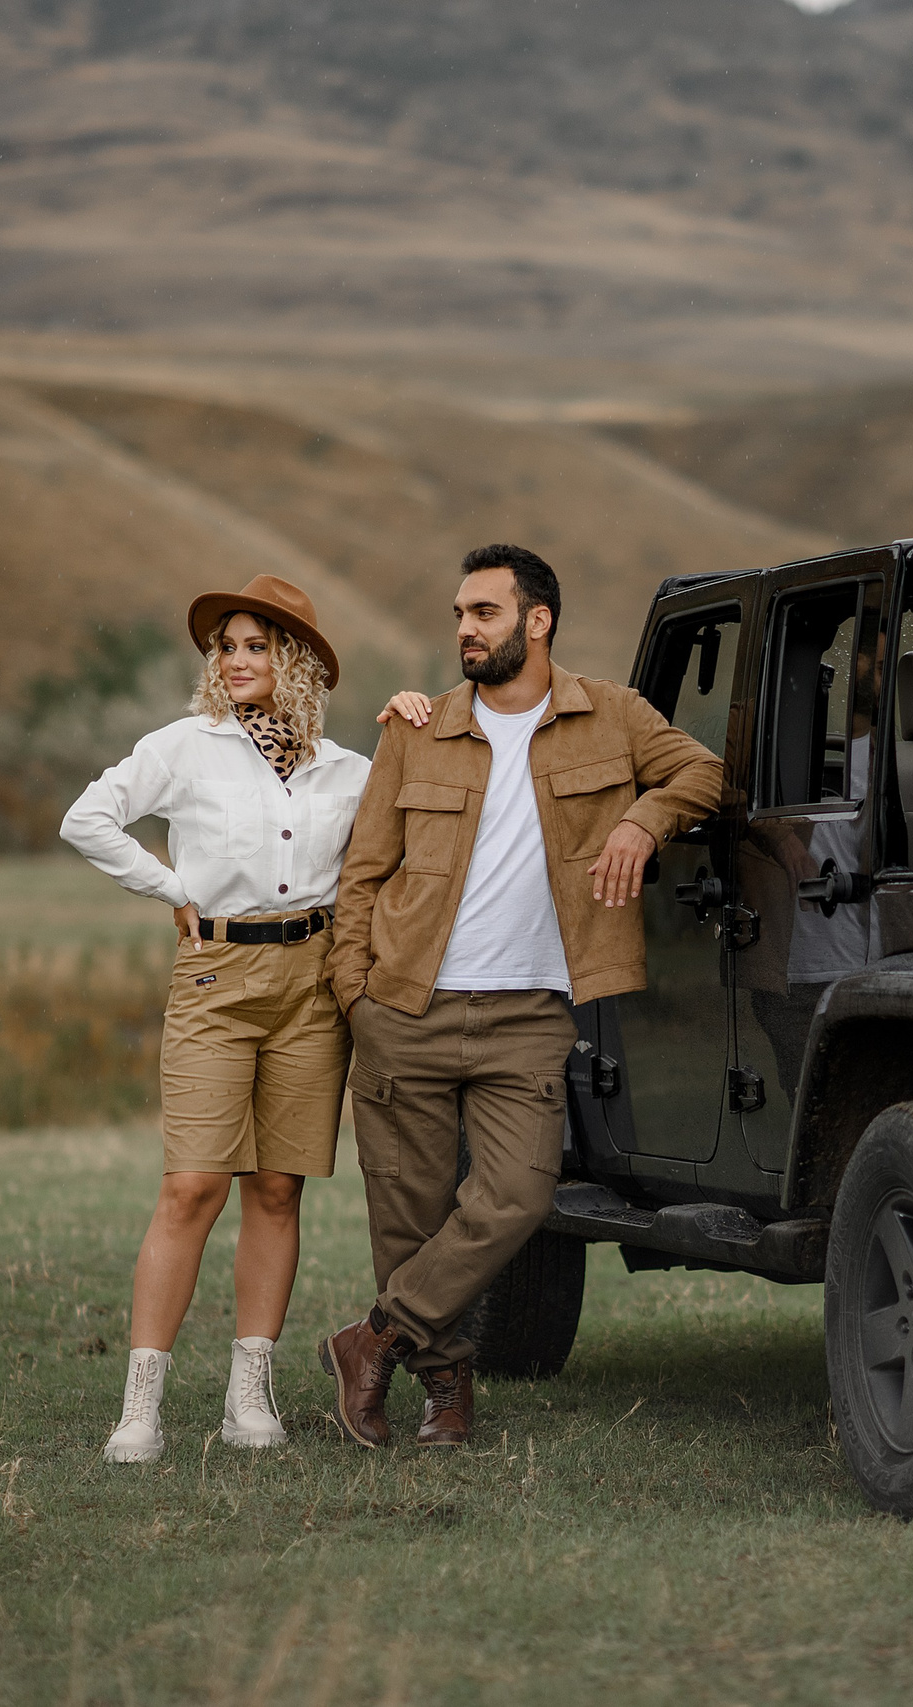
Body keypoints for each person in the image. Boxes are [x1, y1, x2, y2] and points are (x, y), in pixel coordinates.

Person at [318, 543, 725, 1449]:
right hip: (405, 1007)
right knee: (410, 1217)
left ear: (537, 621)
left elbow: (706, 773)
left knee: (517, 1196)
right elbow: (363, 872)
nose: (465, 629)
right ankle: (443, 1396)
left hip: (531, 1014)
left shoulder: (612, 715)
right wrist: (357, 995)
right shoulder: (415, 729)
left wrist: (639, 818)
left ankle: (371, 1339)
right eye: (460, 614)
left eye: (485, 613)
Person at [60, 574, 429, 1461]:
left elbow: (415, 828)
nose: (233, 661)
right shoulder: (186, 747)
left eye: (254, 645)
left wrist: (419, 720)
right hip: (216, 977)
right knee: (192, 1185)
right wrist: (169, 885)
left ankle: (246, 1399)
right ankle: (140, 1408)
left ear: (294, 659)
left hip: (313, 983)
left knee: (276, 1187)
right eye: (224, 645)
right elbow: (88, 817)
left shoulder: (348, 770)